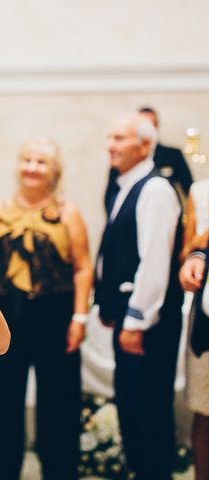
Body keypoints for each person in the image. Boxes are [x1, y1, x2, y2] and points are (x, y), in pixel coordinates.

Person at [0, 138, 92, 480]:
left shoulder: (68, 214)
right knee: (3, 400)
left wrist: (80, 317)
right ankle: (0, 472)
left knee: (59, 401)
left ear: (53, 171)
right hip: (8, 313)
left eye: (41, 162)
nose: (32, 167)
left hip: (56, 313)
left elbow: (83, 267)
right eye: (27, 160)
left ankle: (59, 471)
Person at [95, 113, 183, 480]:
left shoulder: (156, 189)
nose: (110, 145)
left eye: (120, 138)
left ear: (145, 145)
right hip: (128, 321)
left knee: (149, 414)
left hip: (147, 327)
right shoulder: (125, 186)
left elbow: (154, 262)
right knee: (132, 410)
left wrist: (136, 319)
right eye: (110, 137)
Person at [177, 181, 209, 480]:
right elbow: (189, 249)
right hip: (207, 320)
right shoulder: (201, 192)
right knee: (205, 409)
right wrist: (195, 259)